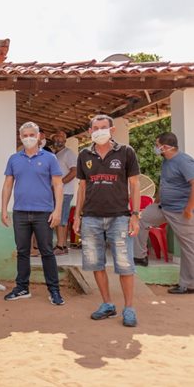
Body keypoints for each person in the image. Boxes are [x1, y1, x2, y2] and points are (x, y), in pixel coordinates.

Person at [73, 114, 141, 327]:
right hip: (91, 217)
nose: (99, 131)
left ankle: (129, 308)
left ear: (112, 130)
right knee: (96, 263)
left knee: (125, 265)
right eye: (95, 128)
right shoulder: (84, 155)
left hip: (120, 217)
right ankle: (107, 305)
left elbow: (135, 185)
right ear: (90, 132)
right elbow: (82, 187)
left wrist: (135, 215)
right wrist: (77, 216)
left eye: (103, 127)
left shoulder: (126, 152)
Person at [1, 122, 64, 305]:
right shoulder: (14, 159)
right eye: (24, 135)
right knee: (22, 251)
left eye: (31, 135)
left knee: (46, 252)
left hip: (43, 212)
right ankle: (22, 288)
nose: (28, 138)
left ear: (38, 137)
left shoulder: (49, 158)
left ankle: (54, 291)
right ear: (20, 137)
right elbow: (7, 185)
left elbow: (58, 184)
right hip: (20, 212)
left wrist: (57, 210)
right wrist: (4, 209)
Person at [134, 132, 194, 293]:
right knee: (141, 219)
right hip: (163, 207)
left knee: (188, 247)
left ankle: (189, 285)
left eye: (157, 144)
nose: (155, 147)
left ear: (166, 147)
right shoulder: (166, 161)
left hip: (180, 210)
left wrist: (189, 208)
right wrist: (157, 200)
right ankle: (140, 256)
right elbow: (165, 182)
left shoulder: (183, 161)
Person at [50, 130, 78, 254]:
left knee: (61, 219)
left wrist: (60, 183)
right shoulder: (56, 154)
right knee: (58, 218)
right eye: (56, 138)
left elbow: (74, 171)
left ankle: (61, 246)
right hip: (57, 192)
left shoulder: (68, 153)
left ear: (65, 140)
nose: (58, 140)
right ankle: (62, 246)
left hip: (65, 192)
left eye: (61, 138)